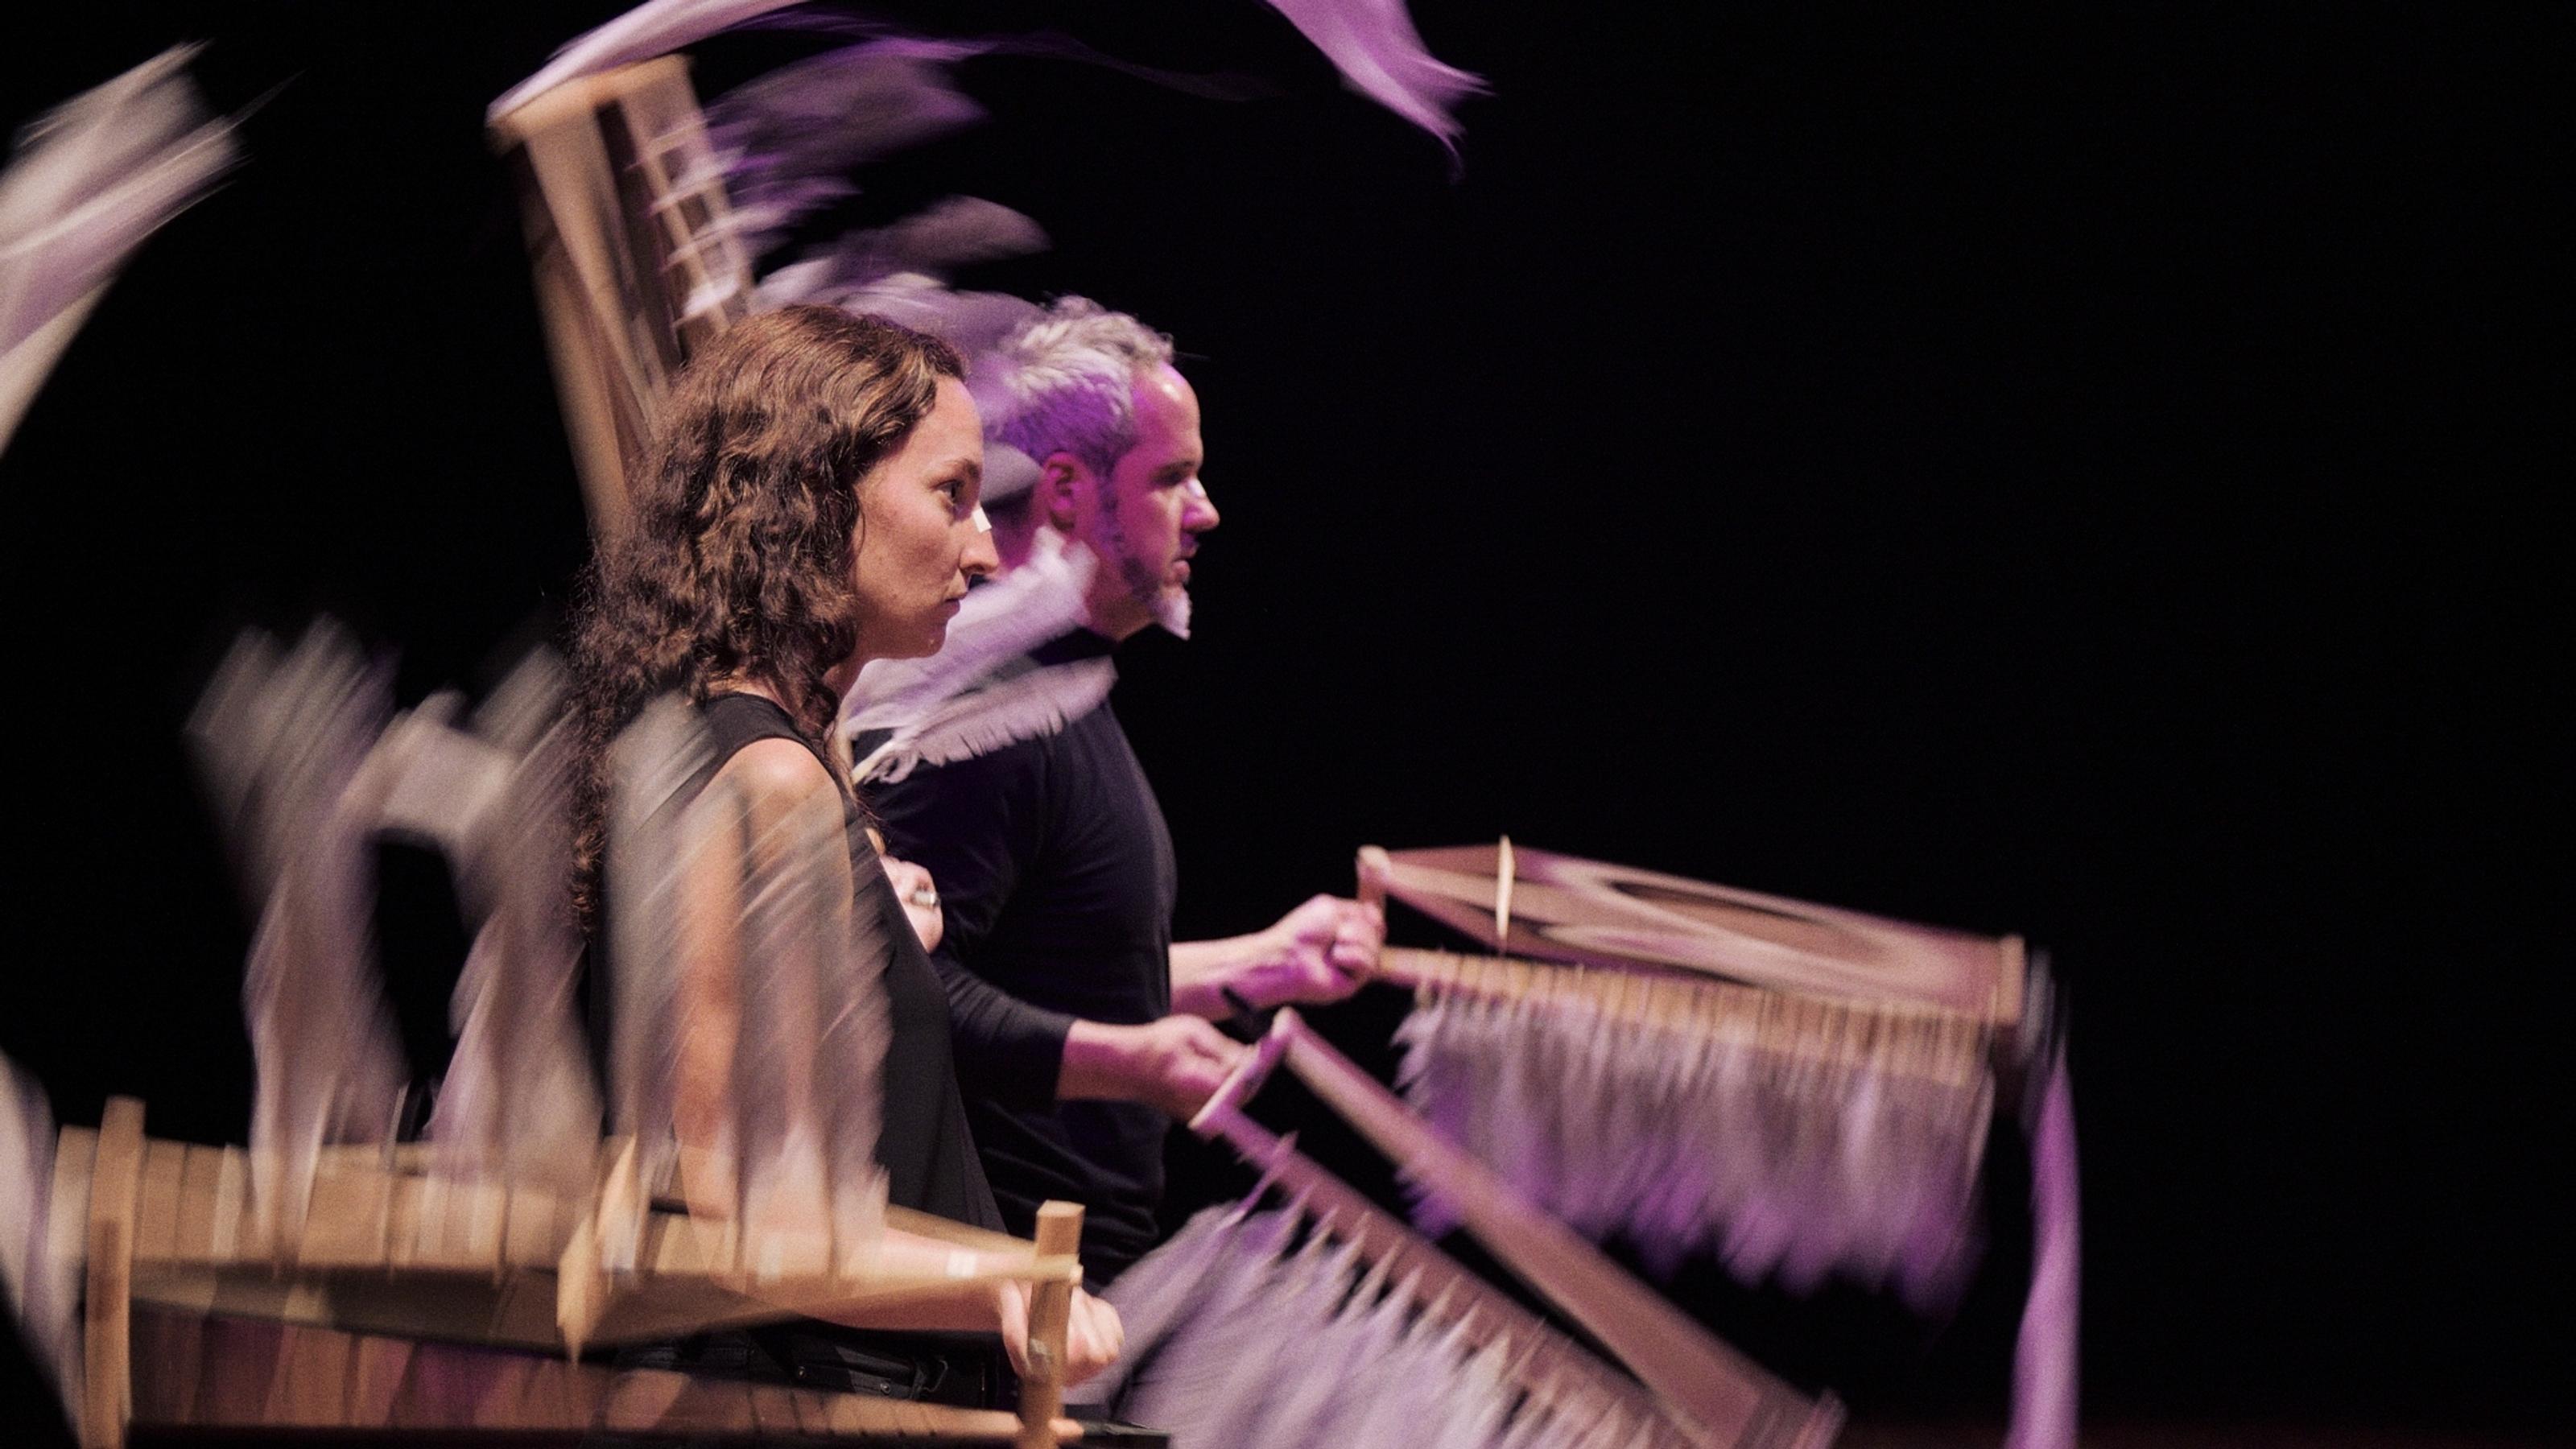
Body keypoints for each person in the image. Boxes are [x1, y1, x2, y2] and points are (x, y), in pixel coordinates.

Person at [567, 303, 1121, 1393]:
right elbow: (743, 1212)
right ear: (819, 501)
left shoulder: (758, 757)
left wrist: (875, 928)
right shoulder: (770, 780)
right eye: (951, 495)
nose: (985, 544)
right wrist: (1007, 1281)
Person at [847, 298, 1382, 1286]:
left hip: (1067, 1293)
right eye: (1174, 477)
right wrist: (1125, 1061)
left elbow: (1049, 979)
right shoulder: (983, 723)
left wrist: (1258, 966)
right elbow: (894, 984)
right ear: (1064, 491)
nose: (1207, 508)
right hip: (989, 1296)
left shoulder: (1066, 694)